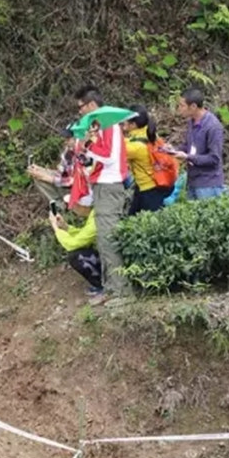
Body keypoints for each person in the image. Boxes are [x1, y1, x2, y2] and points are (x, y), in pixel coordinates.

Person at [76, 84, 131, 305]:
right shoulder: (98, 126)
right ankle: (110, 288)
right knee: (103, 240)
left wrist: (89, 146)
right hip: (101, 186)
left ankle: (123, 292)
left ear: (91, 105)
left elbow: (108, 157)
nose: (80, 112)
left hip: (110, 187)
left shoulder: (109, 125)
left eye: (81, 107)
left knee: (109, 239)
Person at [168, 87, 226, 200]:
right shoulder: (191, 122)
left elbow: (214, 159)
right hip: (193, 181)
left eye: (182, 105)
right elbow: (188, 146)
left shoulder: (213, 126)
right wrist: (173, 150)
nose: (179, 109)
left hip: (208, 184)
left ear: (193, 106)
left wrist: (188, 157)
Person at [48, 193, 102, 296]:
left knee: (76, 256)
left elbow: (73, 244)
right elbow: (83, 235)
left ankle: (101, 285)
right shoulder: (94, 214)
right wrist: (65, 227)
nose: (71, 208)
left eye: (74, 205)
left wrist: (55, 228)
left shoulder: (96, 220)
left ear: (83, 206)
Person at [123, 104, 171, 215]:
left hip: (148, 190)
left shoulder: (136, 147)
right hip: (152, 186)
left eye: (125, 119)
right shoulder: (150, 134)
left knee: (147, 224)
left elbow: (115, 152)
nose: (122, 122)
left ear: (133, 125)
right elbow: (127, 141)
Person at [26, 125, 76, 206]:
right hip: (65, 183)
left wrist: (50, 179)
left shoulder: (82, 154)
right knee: (38, 176)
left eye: (68, 138)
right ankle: (59, 204)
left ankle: (63, 207)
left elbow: (74, 181)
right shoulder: (68, 151)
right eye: (65, 138)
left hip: (76, 188)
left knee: (45, 177)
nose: (65, 141)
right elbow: (62, 173)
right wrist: (41, 170)